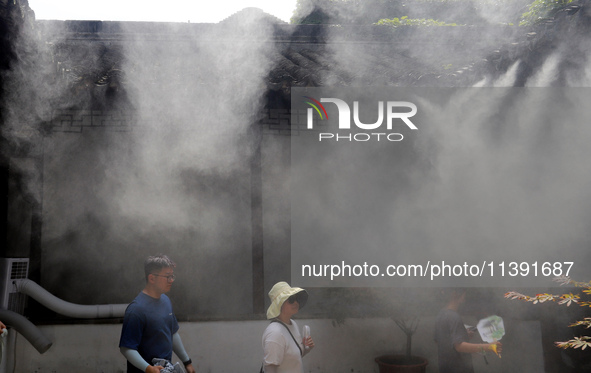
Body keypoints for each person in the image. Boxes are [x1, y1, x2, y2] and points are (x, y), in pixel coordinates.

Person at [119, 254, 195, 373]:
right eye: (167, 276)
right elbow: (126, 348)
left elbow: (172, 333)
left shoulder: (166, 301)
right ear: (152, 278)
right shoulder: (136, 310)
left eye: (172, 276)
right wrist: (149, 368)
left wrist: (187, 362)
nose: (171, 280)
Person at [434, 288, 502, 373]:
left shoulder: (441, 314)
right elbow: (459, 347)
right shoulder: (454, 317)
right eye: (463, 292)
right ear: (455, 294)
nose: (464, 295)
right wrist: (489, 347)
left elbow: (440, 340)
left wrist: (463, 335)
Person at [262, 281, 315, 373]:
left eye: (296, 299)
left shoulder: (293, 324)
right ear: (279, 304)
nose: (295, 302)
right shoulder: (275, 332)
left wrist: (307, 348)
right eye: (291, 299)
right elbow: (270, 369)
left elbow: (291, 359)